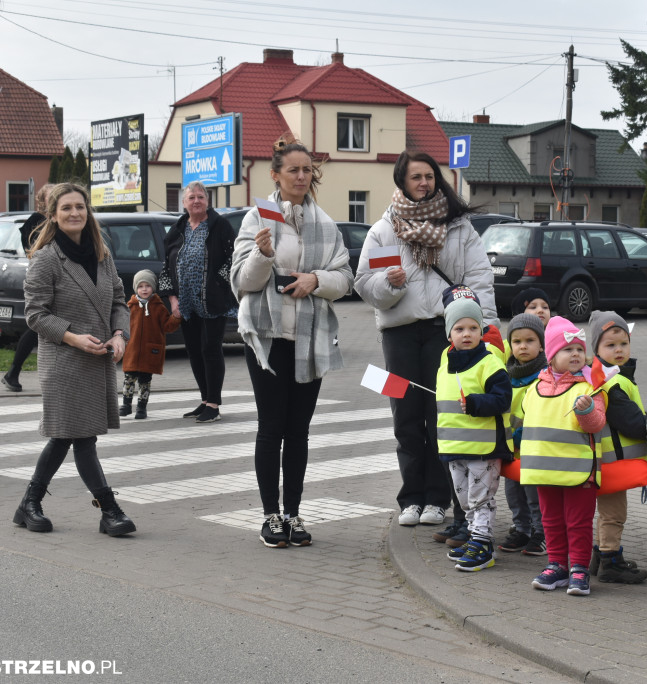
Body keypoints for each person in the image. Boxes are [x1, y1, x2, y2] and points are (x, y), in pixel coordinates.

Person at [354, 150, 497, 534]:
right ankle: (411, 497)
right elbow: (365, 284)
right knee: (405, 416)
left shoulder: (458, 226)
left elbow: (480, 277)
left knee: (442, 416)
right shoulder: (385, 229)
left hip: (444, 333)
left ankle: (438, 498)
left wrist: (486, 326)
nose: (423, 183)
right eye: (416, 177)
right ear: (402, 182)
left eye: (429, 176)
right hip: (399, 332)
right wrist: (389, 284)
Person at [231, 138, 352, 549]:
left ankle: (294, 514)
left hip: (310, 337)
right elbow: (242, 283)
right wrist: (263, 255)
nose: (301, 177)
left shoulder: (325, 223)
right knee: (271, 426)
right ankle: (271, 516)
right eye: (294, 170)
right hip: (266, 338)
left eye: (307, 171)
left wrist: (314, 280)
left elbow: (344, 278)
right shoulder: (256, 220)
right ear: (276, 175)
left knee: (298, 430)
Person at [14, 182, 135, 536]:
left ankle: (29, 503)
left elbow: (117, 300)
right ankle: (109, 510)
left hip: (97, 356)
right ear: (53, 215)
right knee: (76, 436)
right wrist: (73, 337)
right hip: (65, 359)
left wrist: (119, 335)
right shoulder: (46, 258)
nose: (74, 213)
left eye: (79, 207)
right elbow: (35, 315)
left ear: (88, 212)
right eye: (66, 208)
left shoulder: (101, 253)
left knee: (74, 436)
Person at [519, 317, 607, 596]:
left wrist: (586, 411)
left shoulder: (590, 387)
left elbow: (597, 424)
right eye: (568, 349)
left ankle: (579, 568)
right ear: (551, 355)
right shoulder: (533, 388)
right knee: (551, 520)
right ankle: (556, 564)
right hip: (544, 471)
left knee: (578, 521)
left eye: (580, 349)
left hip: (579, 471)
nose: (576, 355)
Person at [438, 295, 512, 572]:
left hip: (484, 448)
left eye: (472, 328)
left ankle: (483, 545)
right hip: (454, 446)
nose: (466, 334)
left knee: (481, 498)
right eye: (459, 329)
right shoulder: (445, 360)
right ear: (449, 335)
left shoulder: (489, 362)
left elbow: (503, 399)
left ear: (481, 331)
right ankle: (473, 538)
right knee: (465, 498)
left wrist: (476, 403)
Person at [159, 180, 238, 423]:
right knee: (194, 351)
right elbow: (165, 266)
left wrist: (217, 283)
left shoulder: (220, 225)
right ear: (184, 203)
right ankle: (204, 400)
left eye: (200, 197)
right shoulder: (177, 229)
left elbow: (234, 259)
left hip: (212, 301)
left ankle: (213, 404)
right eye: (191, 197)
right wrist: (172, 299)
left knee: (210, 349)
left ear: (207, 201)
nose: (196, 201)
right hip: (185, 303)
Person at [587, 311, 647, 584]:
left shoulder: (608, 376)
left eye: (623, 344)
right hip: (613, 462)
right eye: (610, 345)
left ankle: (599, 557)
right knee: (614, 514)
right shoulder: (611, 382)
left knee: (607, 512)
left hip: (606, 461)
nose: (619, 350)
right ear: (597, 349)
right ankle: (611, 561)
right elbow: (633, 424)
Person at [497, 313, 547, 557]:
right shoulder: (507, 375)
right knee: (513, 491)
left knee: (533, 493)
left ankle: (541, 532)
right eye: (517, 342)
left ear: (541, 345)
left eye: (530, 340)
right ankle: (521, 529)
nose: (523, 346)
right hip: (511, 448)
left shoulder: (544, 377)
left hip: (534, 447)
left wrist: (524, 433)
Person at [3, 183, 52, 392]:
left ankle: (13, 372)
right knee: (37, 326)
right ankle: (13, 372)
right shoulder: (37, 223)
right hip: (42, 281)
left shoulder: (51, 220)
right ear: (42, 201)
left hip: (48, 279)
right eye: (53, 196)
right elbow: (36, 252)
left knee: (39, 328)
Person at [119, 270, 181, 419]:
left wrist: (176, 317)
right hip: (132, 351)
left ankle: (141, 408)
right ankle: (126, 405)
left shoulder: (158, 307)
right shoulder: (130, 306)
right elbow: (123, 326)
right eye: (141, 286)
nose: (144, 289)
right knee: (129, 379)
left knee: (145, 382)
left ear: (153, 287)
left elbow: (167, 326)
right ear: (136, 288)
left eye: (147, 286)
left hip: (149, 351)